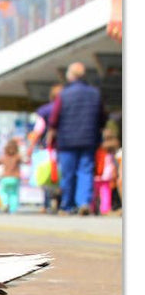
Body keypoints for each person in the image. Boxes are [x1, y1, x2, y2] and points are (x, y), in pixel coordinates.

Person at [49, 62, 108, 215]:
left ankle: (67, 205)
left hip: (67, 140)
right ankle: (83, 202)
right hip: (89, 139)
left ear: (71, 75)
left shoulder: (63, 94)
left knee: (68, 173)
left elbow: (54, 119)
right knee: (86, 171)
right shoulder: (95, 93)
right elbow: (102, 117)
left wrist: (52, 133)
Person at [27, 84, 63, 213]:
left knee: (46, 176)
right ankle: (60, 202)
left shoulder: (45, 110)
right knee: (61, 177)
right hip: (64, 148)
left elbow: (38, 130)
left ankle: (46, 203)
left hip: (47, 149)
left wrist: (30, 147)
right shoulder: (67, 108)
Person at [0, 137, 23, 213]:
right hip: (15, 178)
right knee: (14, 193)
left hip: (5, 177)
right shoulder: (17, 157)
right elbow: (24, 160)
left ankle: (5, 203)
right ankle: (13, 209)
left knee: (3, 192)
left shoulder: (4, 157)